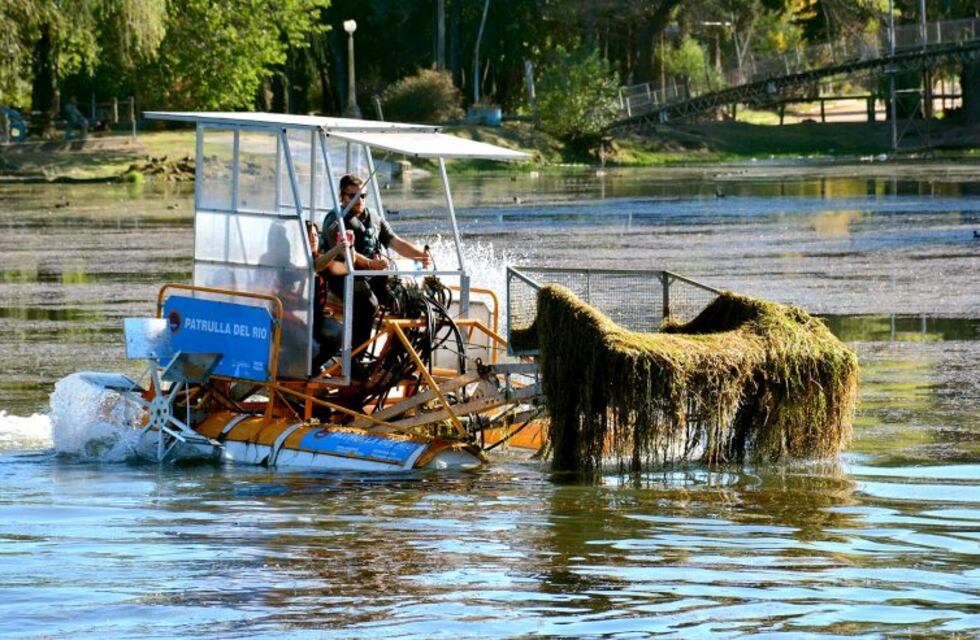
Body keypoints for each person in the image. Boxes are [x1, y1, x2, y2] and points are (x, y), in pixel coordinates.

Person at [320, 174, 431, 355]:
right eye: (352, 196)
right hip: (342, 276)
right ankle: (354, 361)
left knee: (408, 300)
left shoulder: (374, 218)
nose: (359, 200)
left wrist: (420, 256)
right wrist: (372, 264)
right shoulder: (334, 221)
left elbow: (396, 242)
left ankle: (395, 357)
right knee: (368, 304)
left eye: (362, 196)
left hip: (373, 276)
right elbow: (346, 253)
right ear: (342, 197)